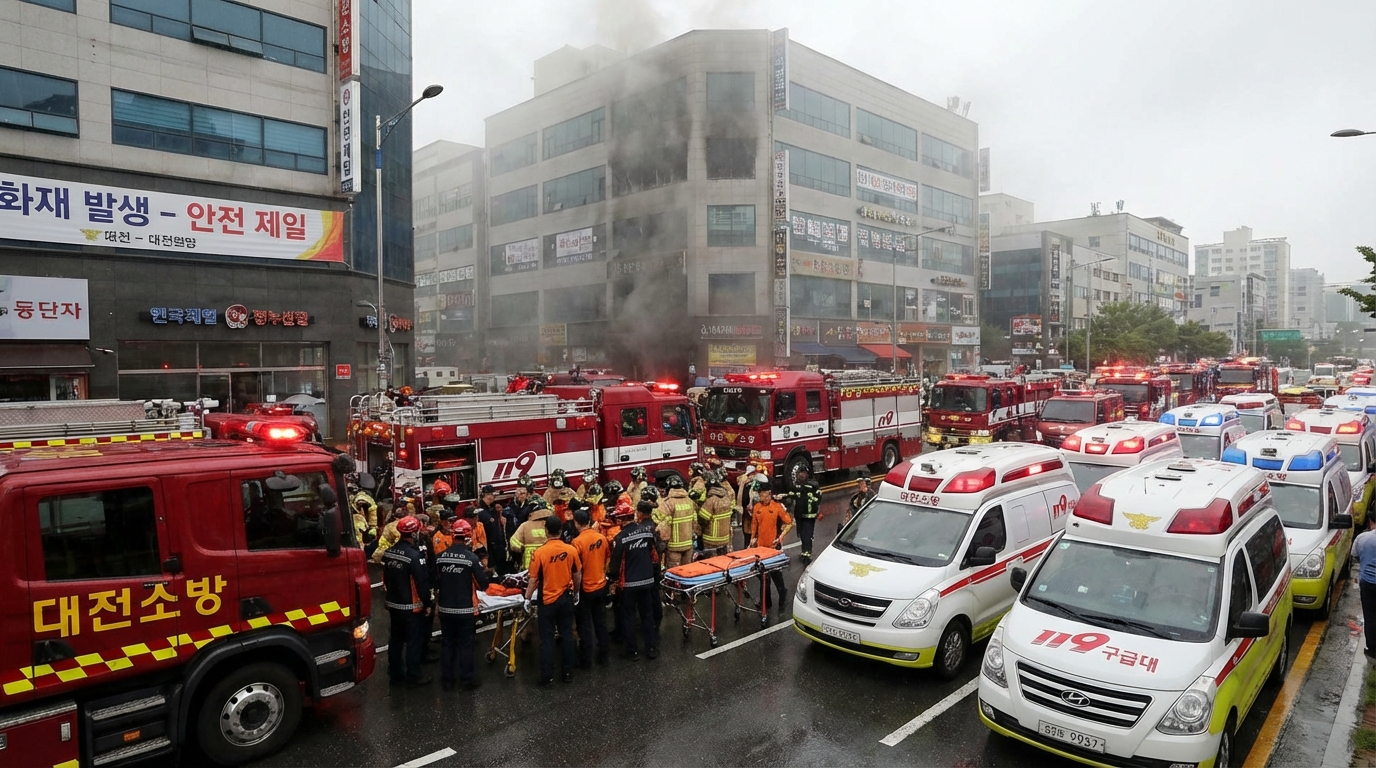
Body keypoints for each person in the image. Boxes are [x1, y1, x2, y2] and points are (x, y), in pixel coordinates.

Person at [526, 516, 582, 685]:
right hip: (566, 597)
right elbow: (577, 574)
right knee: (566, 635)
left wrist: (527, 598)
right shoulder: (570, 550)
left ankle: (547, 676)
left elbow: (533, 580)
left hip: (548, 600)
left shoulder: (540, 553)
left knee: (547, 638)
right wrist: (576, 592)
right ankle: (567, 673)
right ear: (560, 531)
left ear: (546, 531)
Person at [435, 519, 490, 691]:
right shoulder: (471, 558)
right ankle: (468, 679)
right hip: (465, 609)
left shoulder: (441, 557)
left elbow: (434, 581)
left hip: (445, 609)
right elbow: (483, 584)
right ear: (467, 537)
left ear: (453, 535)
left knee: (448, 643)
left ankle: (447, 680)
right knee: (466, 645)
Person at [382, 516, 432, 686]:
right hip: (411, 607)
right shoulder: (415, 555)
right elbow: (422, 582)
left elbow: (386, 579)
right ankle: (414, 676)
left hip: (393, 605)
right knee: (413, 642)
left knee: (395, 640)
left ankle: (395, 674)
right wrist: (427, 604)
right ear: (414, 532)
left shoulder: (389, 552)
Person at [609, 501, 661, 660]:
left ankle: (632, 651)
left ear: (622, 519)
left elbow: (615, 564)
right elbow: (655, 554)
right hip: (647, 581)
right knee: (647, 615)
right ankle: (651, 648)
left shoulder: (620, 538)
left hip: (629, 585)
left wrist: (613, 580)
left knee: (629, 617)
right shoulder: (647, 532)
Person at [571, 509, 612, 667]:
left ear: (576, 523)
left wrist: (575, 591)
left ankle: (586, 659)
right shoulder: (601, 537)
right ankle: (604, 655)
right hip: (601, 584)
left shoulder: (577, 542)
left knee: (585, 624)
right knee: (601, 622)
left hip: (585, 588)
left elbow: (577, 570)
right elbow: (606, 558)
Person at [749, 484, 793, 609]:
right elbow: (754, 525)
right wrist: (753, 538)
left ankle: (782, 593)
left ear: (769, 494)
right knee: (763, 575)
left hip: (773, 547)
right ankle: (765, 602)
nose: (762, 497)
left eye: (764, 494)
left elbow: (789, 522)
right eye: (760, 494)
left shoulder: (777, 507)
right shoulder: (757, 507)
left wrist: (781, 537)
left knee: (775, 572)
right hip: (760, 547)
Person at [656, 475, 699, 570]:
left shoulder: (667, 503)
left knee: (674, 573)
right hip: (689, 544)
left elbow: (661, 523)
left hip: (674, 546)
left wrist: (662, 543)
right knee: (687, 571)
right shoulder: (690, 501)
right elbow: (695, 522)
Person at [786, 468, 823, 563]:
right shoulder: (797, 485)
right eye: (799, 473)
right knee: (801, 533)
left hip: (809, 515)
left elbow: (818, 498)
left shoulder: (813, 485)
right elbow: (792, 495)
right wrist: (786, 496)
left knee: (807, 534)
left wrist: (810, 498)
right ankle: (803, 551)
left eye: (803, 473)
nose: (801, 475)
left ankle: (808, 552)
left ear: (807, 474)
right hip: (799, 514)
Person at [510, 498, 555, 570]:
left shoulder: (525, 525)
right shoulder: (552, 523)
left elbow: (514, 544)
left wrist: (523, 550)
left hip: (530, 564)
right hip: (550, 561)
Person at [697, 470, 735, 557]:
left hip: (711, 539)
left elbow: (703, 519)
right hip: (725, 538)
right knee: (723, 561)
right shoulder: (727, 498)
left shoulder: (711, 501)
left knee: (712, 563)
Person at [474, 485, 508, 574]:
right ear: (487, 495)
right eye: (492, 494)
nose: (493, 497)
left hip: (497, 545)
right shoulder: (481, 512)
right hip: (489, 546)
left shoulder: (492, 509)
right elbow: (488, 529)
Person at [1358, 516, 1376, 658]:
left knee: (1370, 615)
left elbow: (1354, 555)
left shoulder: (1363, 538)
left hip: (1368, 583)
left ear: (1371, 522)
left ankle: (1372, 648)